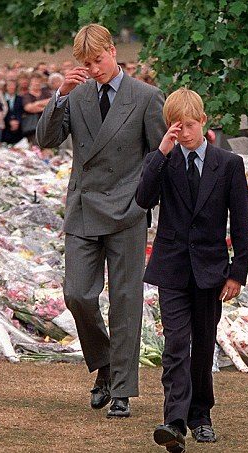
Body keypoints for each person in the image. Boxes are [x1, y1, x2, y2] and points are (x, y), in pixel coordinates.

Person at [36, 23, 166, 418]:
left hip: (128, 211)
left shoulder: (145, 97)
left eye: (98, 60)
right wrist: (60, 94)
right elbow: (46, 140)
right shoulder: (75, 98)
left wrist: (154, 208)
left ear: (113, 50)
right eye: (86, 63)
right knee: (77, 294)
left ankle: (123, 388)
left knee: (126, 301)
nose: (93, 69)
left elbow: (160, 160)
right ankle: (106, 364)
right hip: (83, 207)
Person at [136, 88, 248, 453]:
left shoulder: (228, 164)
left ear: (202, 122)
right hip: (171, 268)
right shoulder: (164, 161)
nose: (182, 132)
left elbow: (241, 223)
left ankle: (201, 416)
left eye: (187, 125)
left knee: (202, 345)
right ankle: (174, 421)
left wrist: (237, 273)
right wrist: (161, 152)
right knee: (175, 344)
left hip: (211, 269)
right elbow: (143, 199)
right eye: (174, 127)